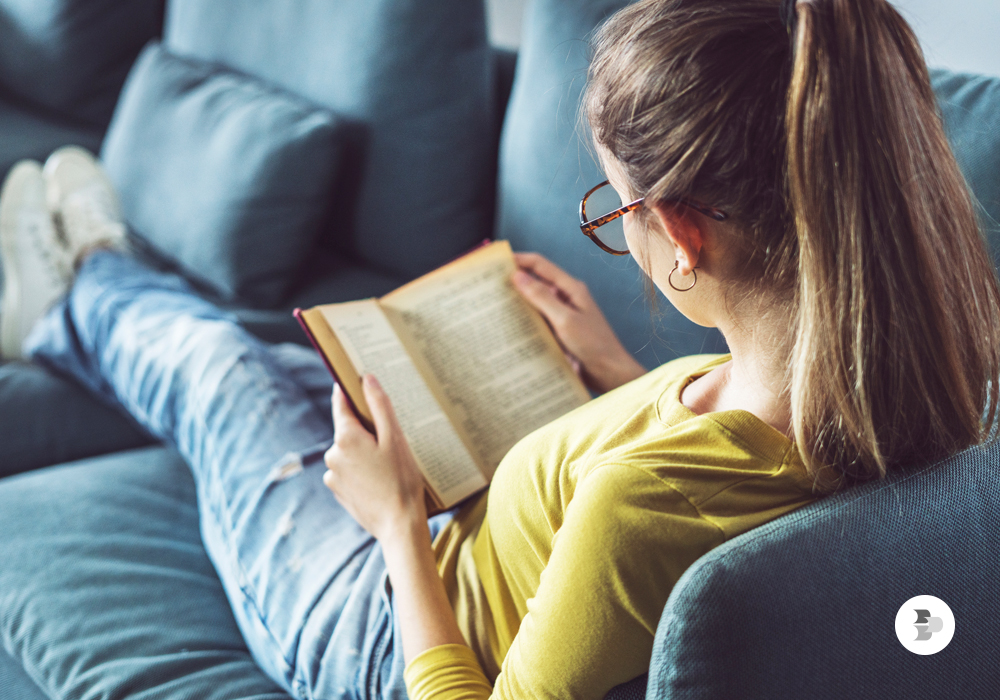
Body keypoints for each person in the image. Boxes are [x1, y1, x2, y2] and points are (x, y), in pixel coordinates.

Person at [1, 0, 998, 698]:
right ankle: (99, 283)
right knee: (302, 362)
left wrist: (395, 523)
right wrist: (616, 373)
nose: (617, 230)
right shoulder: (905, 381)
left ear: (685, 236)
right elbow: (718, 470)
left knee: (219, 372)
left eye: (617, 211)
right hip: (464, 554)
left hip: (382, 628)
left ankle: (74, 284)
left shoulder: (632, 510)